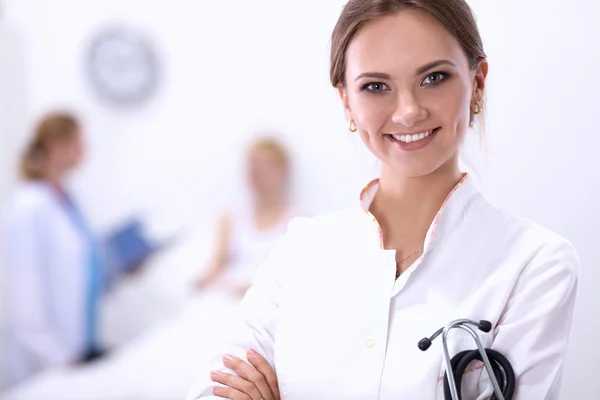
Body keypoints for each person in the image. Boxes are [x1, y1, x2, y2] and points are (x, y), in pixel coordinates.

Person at [185, 1, 579, 399]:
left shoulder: (535, 265)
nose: (408, 112)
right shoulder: (300, 250)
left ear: (477, 83)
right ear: (346, 101)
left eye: (434, 77)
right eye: (376, 86)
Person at [2, 112, 106, 388]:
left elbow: (77, 272)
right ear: (56, 145)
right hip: (45, 362)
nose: (84, 150)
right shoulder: (29, 205)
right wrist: (59, 357)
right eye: (78, 142)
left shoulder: (64, 198)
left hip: (77, 348)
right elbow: (27, 300)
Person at [193, 137, 296, 299]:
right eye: (253, 166)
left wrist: (258, 288)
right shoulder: (231, 218)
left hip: (271, 300)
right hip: (230, 298)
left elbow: (297, 275)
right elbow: (217, 265)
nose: (257, 173)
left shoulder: (298, 222)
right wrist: (201, 282)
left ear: (282, 171)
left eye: (265, 166)